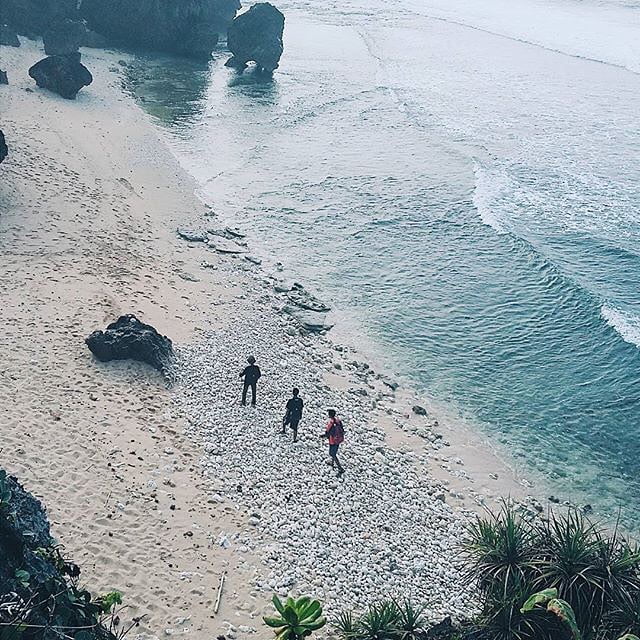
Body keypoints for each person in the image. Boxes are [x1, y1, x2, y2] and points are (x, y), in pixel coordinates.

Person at [321, 409, 345, 476]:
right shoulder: (338, 421)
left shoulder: (331, 422)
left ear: (330, 415)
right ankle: (332, 463)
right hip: (339, 439)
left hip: (333, 440)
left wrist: (323, 436)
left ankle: (340, 468)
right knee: (334, 451)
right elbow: (342, 430)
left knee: (332, 453)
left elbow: (328, 432)